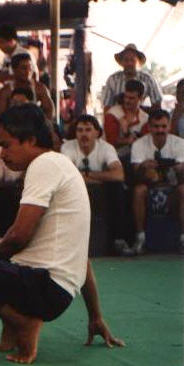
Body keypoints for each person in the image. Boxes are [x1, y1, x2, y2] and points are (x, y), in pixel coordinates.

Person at [0, 104, 123, 365]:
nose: (1, 154)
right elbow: (81, 257)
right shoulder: (59, 164)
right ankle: (12, 328)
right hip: (49, 288)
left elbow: (19, 237)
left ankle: (22, 322)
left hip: (46, 288)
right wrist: (95, 317)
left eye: (6, 145)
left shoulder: (44, 164)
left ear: (31, 140)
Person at [61, 114, 129, 255]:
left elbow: (119, 175)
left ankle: (118, 239)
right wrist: (101, 177)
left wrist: (88, 175)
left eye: (88, 130)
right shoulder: (68, 147)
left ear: (97, 133)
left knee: (117, 188)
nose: (84, 134)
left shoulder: (106, 148)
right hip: (76, 191)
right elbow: (67, 175)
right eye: (80, 130)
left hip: (101, 192)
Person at [129, 109, 184, 255]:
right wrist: (143, 166)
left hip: (173, 190)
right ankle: (140, 238)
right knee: (138, 190)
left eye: (163, 126)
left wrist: (179, 168)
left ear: (169, 126)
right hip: (149, 190)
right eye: (156, 126)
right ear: (149, 127)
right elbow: (135, 173)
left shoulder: (180, 144)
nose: (160, 130)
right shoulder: (139, 145)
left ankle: (183, 238)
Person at [103, 79, 149, 177]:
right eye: (126, 97)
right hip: (110, 158)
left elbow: (145, 145)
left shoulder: (145, 118)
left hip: (134, 160)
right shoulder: (113, 114)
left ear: (141, 98)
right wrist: (128, 140)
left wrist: (128, 135)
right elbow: (110, 142)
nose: (127, 101)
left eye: (131, 98)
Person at [101, 44, 163, 112]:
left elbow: (157, 104)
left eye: (132, 60)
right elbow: (107, 106)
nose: (129, 63)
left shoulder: (148, 79)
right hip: (117, 116)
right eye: (126, 60)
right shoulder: (113, 79)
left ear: (138, 62)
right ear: (121, 62)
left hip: (140, 116)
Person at [0, 53, 53, 120]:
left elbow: (49, 111)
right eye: (23, 68)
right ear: (14, 70)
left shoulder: (40, 88)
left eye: (30, 68)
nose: (28, 71)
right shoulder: (5, 92)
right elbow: (0, 116)